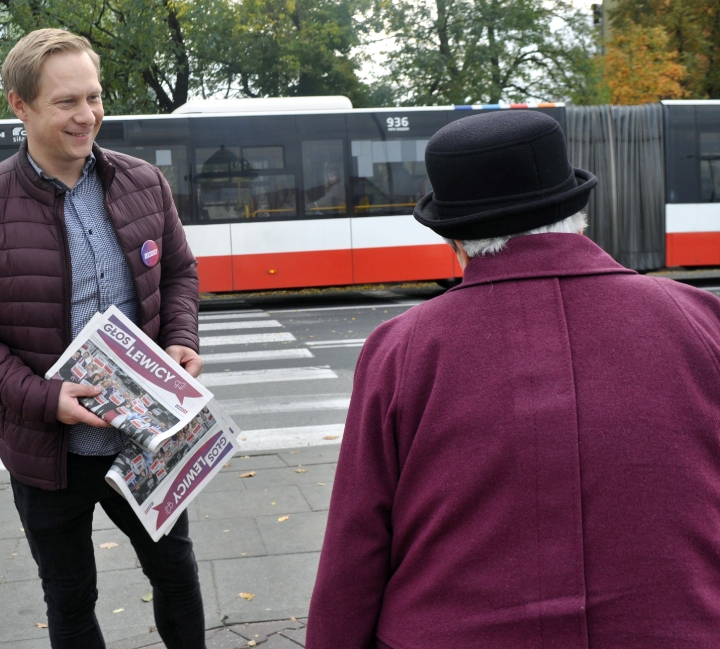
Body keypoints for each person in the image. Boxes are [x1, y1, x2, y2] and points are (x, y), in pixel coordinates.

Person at [307, 110, 720, 648]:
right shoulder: (701, 319)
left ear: (455, 241)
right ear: (577, 215)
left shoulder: (401, 348)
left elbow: (356, 544)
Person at [0, 28, 205, 649]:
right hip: (48, 452)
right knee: (71, 597)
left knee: (176, 573)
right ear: (20, 106)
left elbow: (179, 273)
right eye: (66, 102)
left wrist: (180, 336)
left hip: (146, 435)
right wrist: (42, 398)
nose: (87, 116)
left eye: (94, 97)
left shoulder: (143, 182)